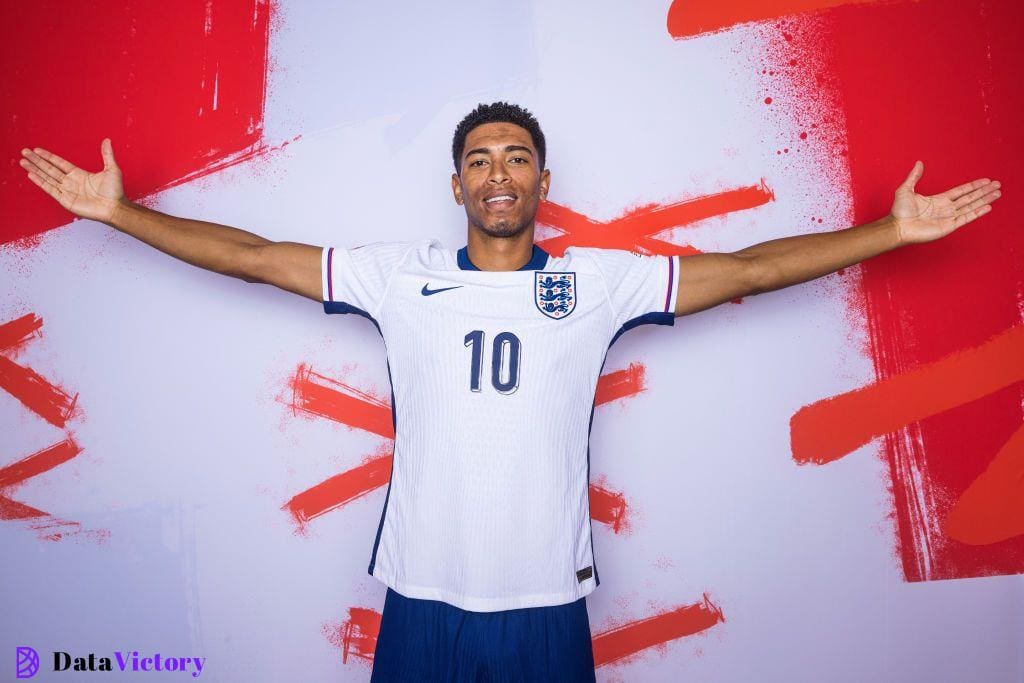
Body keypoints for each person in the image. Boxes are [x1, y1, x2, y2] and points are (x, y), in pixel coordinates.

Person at [18, 102, 1001, 681]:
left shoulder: (595, 281)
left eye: (516, 158)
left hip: (545, 609)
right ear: (457, 185)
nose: (498, 174)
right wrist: (120, 212)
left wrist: (887, 233)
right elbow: (253, 257)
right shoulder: (401, 274)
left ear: (540, 181)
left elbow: (743, 268)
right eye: (480, 159)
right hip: (420, 603)